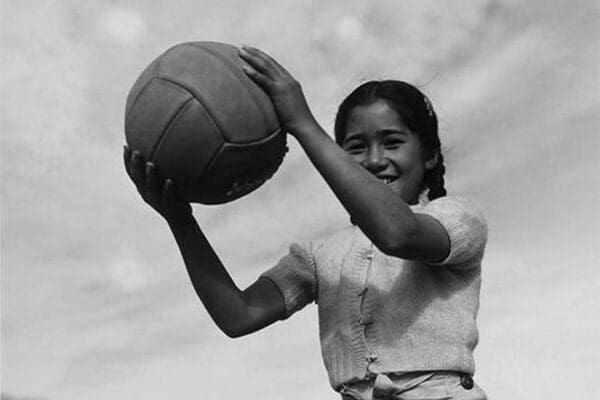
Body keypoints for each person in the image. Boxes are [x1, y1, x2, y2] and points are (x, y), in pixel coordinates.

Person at [124, 46, 489, 400]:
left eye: (392, 142)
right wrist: (180, 221)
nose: (375, 159)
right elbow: (238, 315)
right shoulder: (320, 257)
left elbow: (397, 233)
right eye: (356, 147)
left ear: (429, 156)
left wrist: (303, 124)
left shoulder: (457, 218)